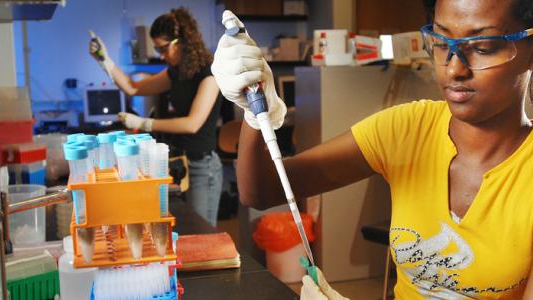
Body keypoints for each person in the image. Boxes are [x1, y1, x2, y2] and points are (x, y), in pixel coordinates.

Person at [211, 0, 533, 298]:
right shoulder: (408, 130)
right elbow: (262, 191)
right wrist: (256, 113)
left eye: (483, 47)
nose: (453, 68)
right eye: (440, 42)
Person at [89, 7, 223, 227]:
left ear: (182, 41)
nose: (161, 55)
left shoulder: (209, 74)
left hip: (202, 167)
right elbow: (133, 88)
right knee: (181, 229)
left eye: (163, 48)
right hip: (180, 163)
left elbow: (193, 124)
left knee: (202, 232)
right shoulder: (176, 72)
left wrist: (145, 123)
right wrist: (105, 61)